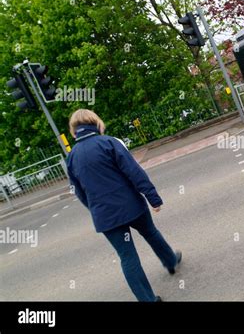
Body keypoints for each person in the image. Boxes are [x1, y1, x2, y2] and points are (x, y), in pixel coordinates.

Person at [66, 109, 181, 302]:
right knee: (150, 233)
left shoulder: (71, 158)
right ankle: (170, 261)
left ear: (74, 130)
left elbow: (78, 191)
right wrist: (152, 197)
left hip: (105, 216)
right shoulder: (109, 143)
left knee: (127, 256)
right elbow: (134, 172)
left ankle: (148, 299)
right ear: (95, 123)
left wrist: (94, 208)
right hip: (132, 206)